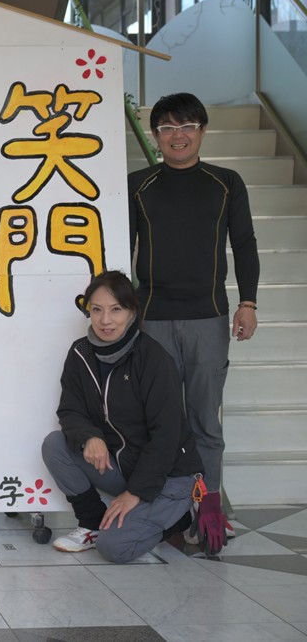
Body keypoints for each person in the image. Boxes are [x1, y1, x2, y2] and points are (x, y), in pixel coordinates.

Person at [129, 92, 260, 555]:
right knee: (159, 422)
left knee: (205, 422)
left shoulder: (225, 183)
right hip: (152, 319)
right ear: (155, 136)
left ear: (202, 130)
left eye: (186, 126)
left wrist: (248, 302)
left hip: (209, 316)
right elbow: (119, 247)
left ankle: (209, 510)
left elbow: (244, 243)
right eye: (167, 128)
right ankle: (166, 510)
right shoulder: (138, 185)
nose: (177, 135)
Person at [42, 271, 203, 563]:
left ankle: (180, 515)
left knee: (114, 548)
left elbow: (166, 436)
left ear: (131, 311)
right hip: (126, 467)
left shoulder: (153, 359)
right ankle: (92, 524)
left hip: (169, 477)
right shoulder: (80, 353)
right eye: (97, 310)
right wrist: (89, 437)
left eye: (116, 309)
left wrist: (135, 493)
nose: (106, 320)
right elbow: (70, 410)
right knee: (56, 445)